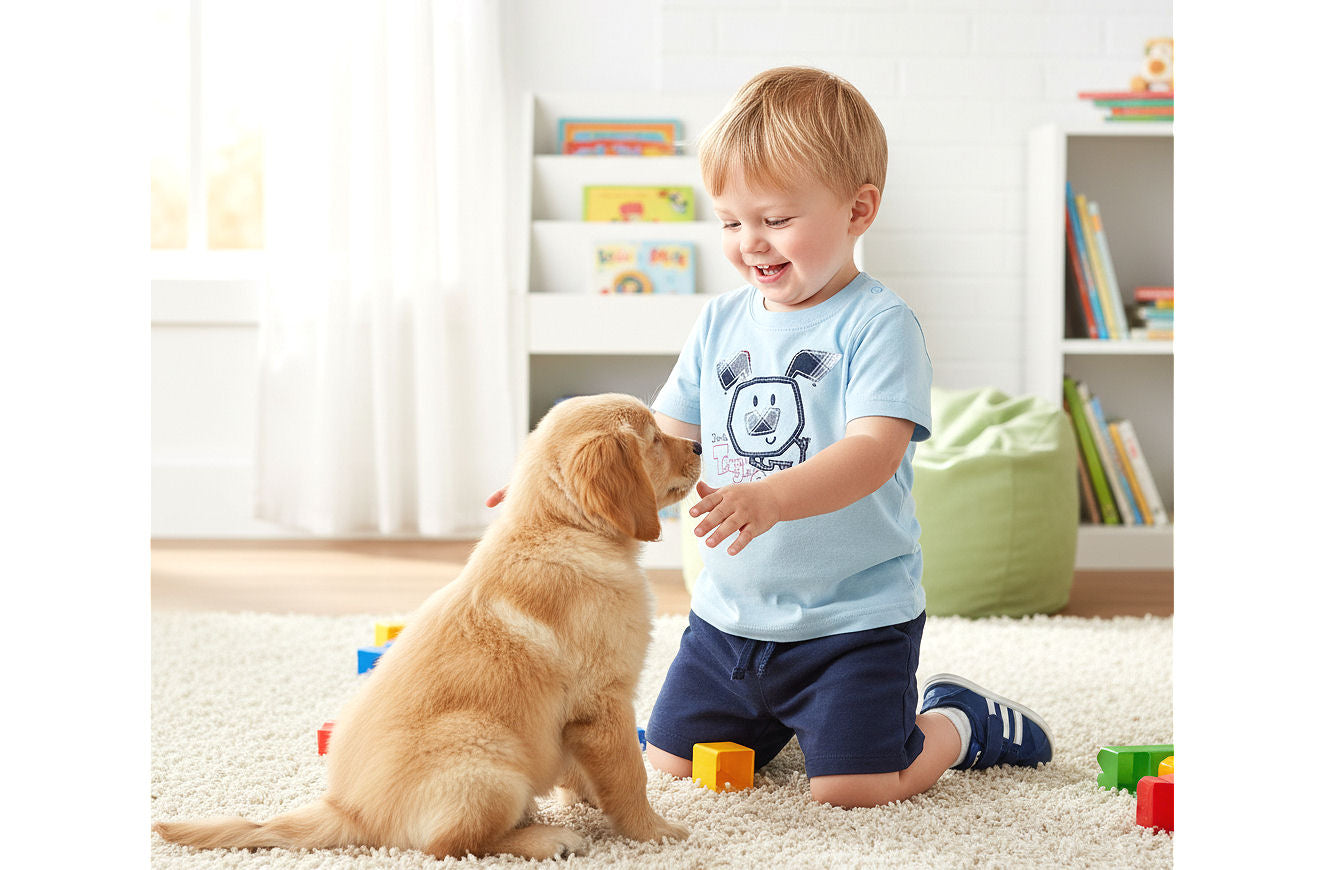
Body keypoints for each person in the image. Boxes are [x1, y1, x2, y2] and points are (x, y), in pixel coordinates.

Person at [641, 66, 1053, 809]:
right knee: (672, 769)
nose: (750, 243)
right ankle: (787, 723)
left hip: (853, 625)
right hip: (726, 621)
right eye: (730, 222)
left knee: (854, 790)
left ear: (859, 209)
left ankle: (962, 720)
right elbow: (664, 437)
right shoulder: (719, 322)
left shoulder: (878, 323)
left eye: (775, 219)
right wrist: (571, 487)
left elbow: (872, 453)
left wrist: (771, 497)